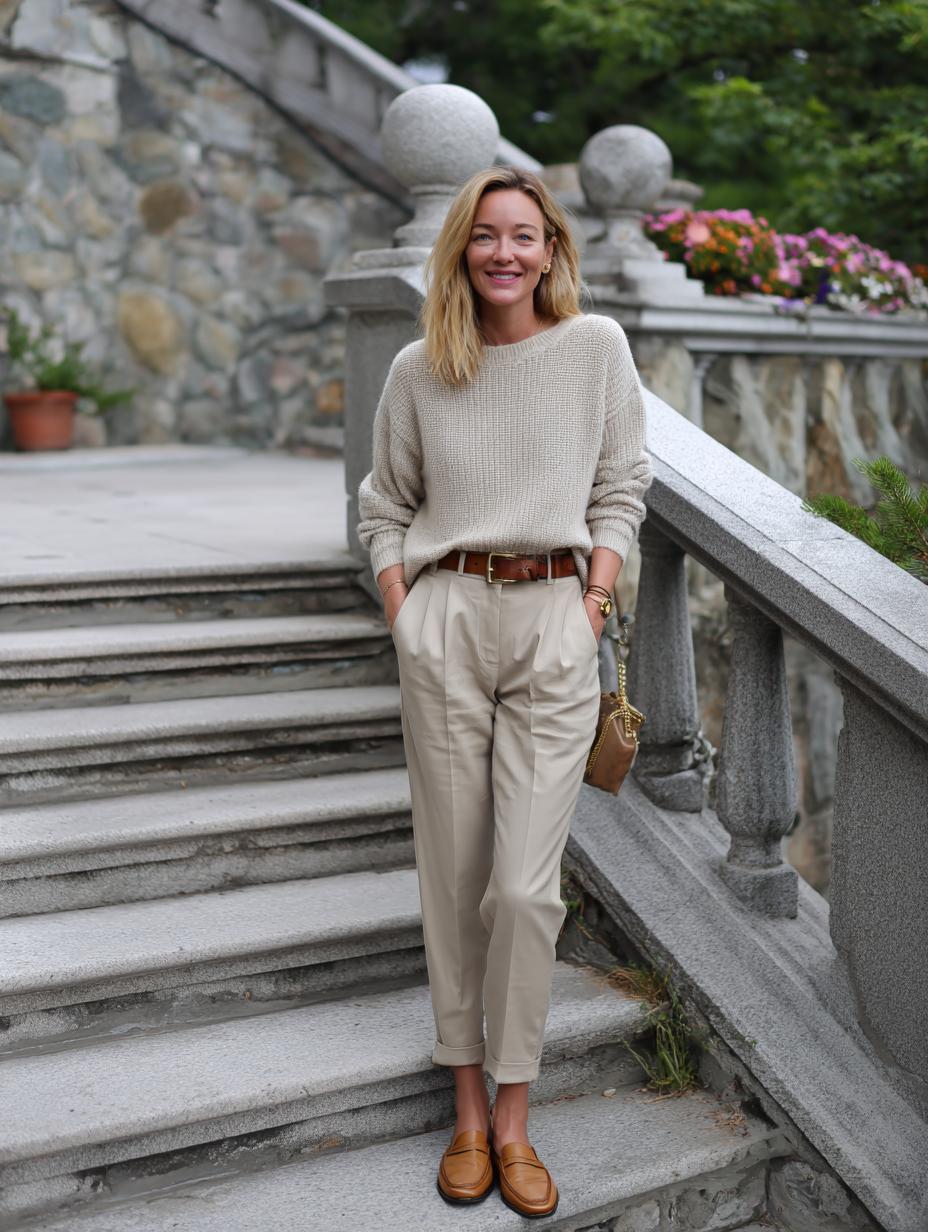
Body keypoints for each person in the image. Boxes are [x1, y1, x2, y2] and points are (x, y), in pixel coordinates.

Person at [356, 165, 653, 1219]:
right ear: (461, 249)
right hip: (446, 617)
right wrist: (405, 609)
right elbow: (383, 504)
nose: (504, 253)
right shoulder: (419, 368)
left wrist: (592, 606)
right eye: (485, 235)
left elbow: (622, 486)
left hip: (554, 621)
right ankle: (470, 1113)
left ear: (552, 249)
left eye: (524, 235)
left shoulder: (594, 348)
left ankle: (519, 1112)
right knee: (453, 876)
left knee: (524, 889)